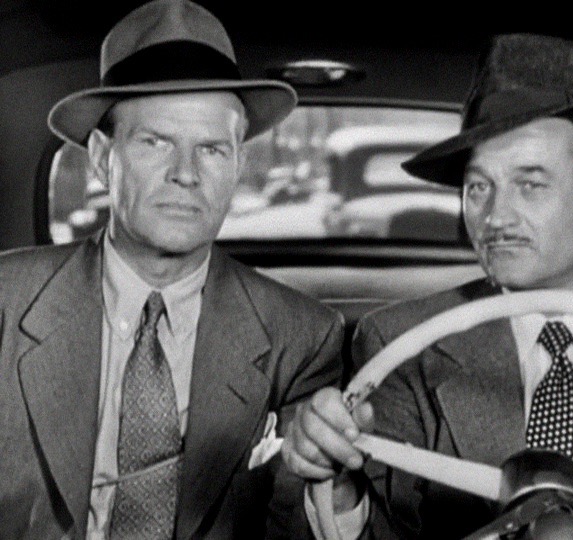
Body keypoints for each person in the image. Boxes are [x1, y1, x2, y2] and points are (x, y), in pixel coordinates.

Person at [283, 33, 573, 539]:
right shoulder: (401, 346)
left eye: (530, 184)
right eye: (478, 187)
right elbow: (384, 531)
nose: (495, 217)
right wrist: (339, 487)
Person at [0, 1, 345, 538]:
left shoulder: (301, 338)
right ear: (102, 158)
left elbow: (297, 523)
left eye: (211, 149)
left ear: (238, 166)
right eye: (155, 142)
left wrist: (332, 482)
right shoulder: (6, 301)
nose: (186, 174)